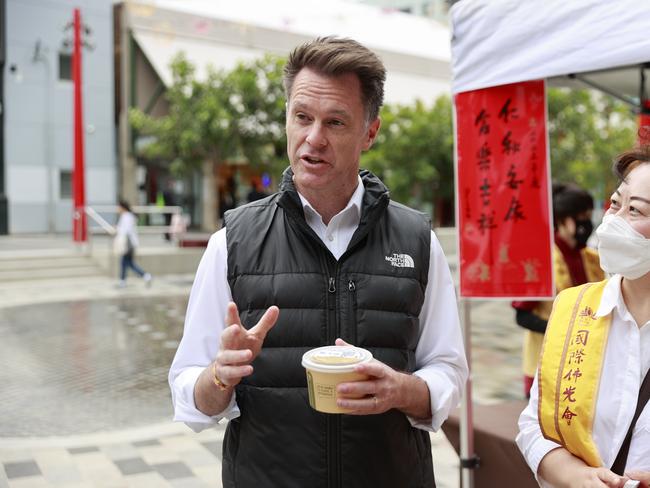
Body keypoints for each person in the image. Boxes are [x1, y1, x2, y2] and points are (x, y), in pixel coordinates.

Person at [169, 37, 468, 488]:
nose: (314, 138)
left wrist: (401, 390)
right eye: (302, 117)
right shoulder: (232, 242)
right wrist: (219, 376)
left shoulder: (417, 240)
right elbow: (189, 387)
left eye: (335, 122)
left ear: (370, 131)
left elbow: (448, 368)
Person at [517, 147, 650, 487]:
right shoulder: (574, 308)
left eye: (634, 210)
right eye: (615, 203)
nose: (611, 221)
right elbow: (535, 427)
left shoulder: (586, 257)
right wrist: (575, 476)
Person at [513, 183, 604, 397]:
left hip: (584, 363)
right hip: (546, 363)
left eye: (588, 216)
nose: (586, 223)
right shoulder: (540, 258)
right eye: (580, 217)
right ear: (562, 219)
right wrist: (565, 329)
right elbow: (522, 315)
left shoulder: (591, 257)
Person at [114, 199, 152, 288]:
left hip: (128, 244)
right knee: (127, 263)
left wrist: (117, 228)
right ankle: (144, 276)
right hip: (130, 243)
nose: (117, 209)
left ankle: (145, 276)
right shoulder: (128, 216)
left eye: (118, 207)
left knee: (126, 263)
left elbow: (125, 230)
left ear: (122, 207)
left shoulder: (126, 217)